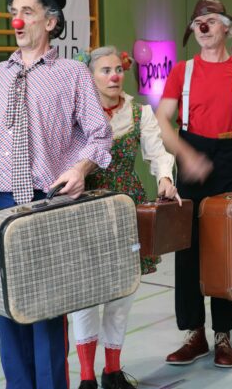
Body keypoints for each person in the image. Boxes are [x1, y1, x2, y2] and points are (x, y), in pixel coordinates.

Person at [0, 0, 112, 389]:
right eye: (14, 12)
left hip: (46, 204)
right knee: (6, 310)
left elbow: (100, 134)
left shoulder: (72, 74)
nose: (17, 21)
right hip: (1, 207)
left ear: (50, 21)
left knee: (46, 312)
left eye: (28, 12)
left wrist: (80, 169)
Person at [156, 0, 232, 368]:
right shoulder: (182, 72)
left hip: (231, 158)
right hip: (192, 154)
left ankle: (223, 335)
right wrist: (185, 154)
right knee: (188, 248)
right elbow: (162, 121)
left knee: (225, 249)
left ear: (226, 27)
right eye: (197, 22)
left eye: (210, 20)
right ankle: (195, 333)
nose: (203, 27)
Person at [71, 46, 180, 389]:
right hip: (85, 210)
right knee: (85, 295)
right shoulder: (75, 114)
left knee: (123, 292)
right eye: (105, 70)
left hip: (126, 209)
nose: (114, 76)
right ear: (90, 76)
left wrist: (165, 178)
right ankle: (86, 377)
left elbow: (157, 152)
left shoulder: (139, 112)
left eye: (118, 69)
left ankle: (113, 372)